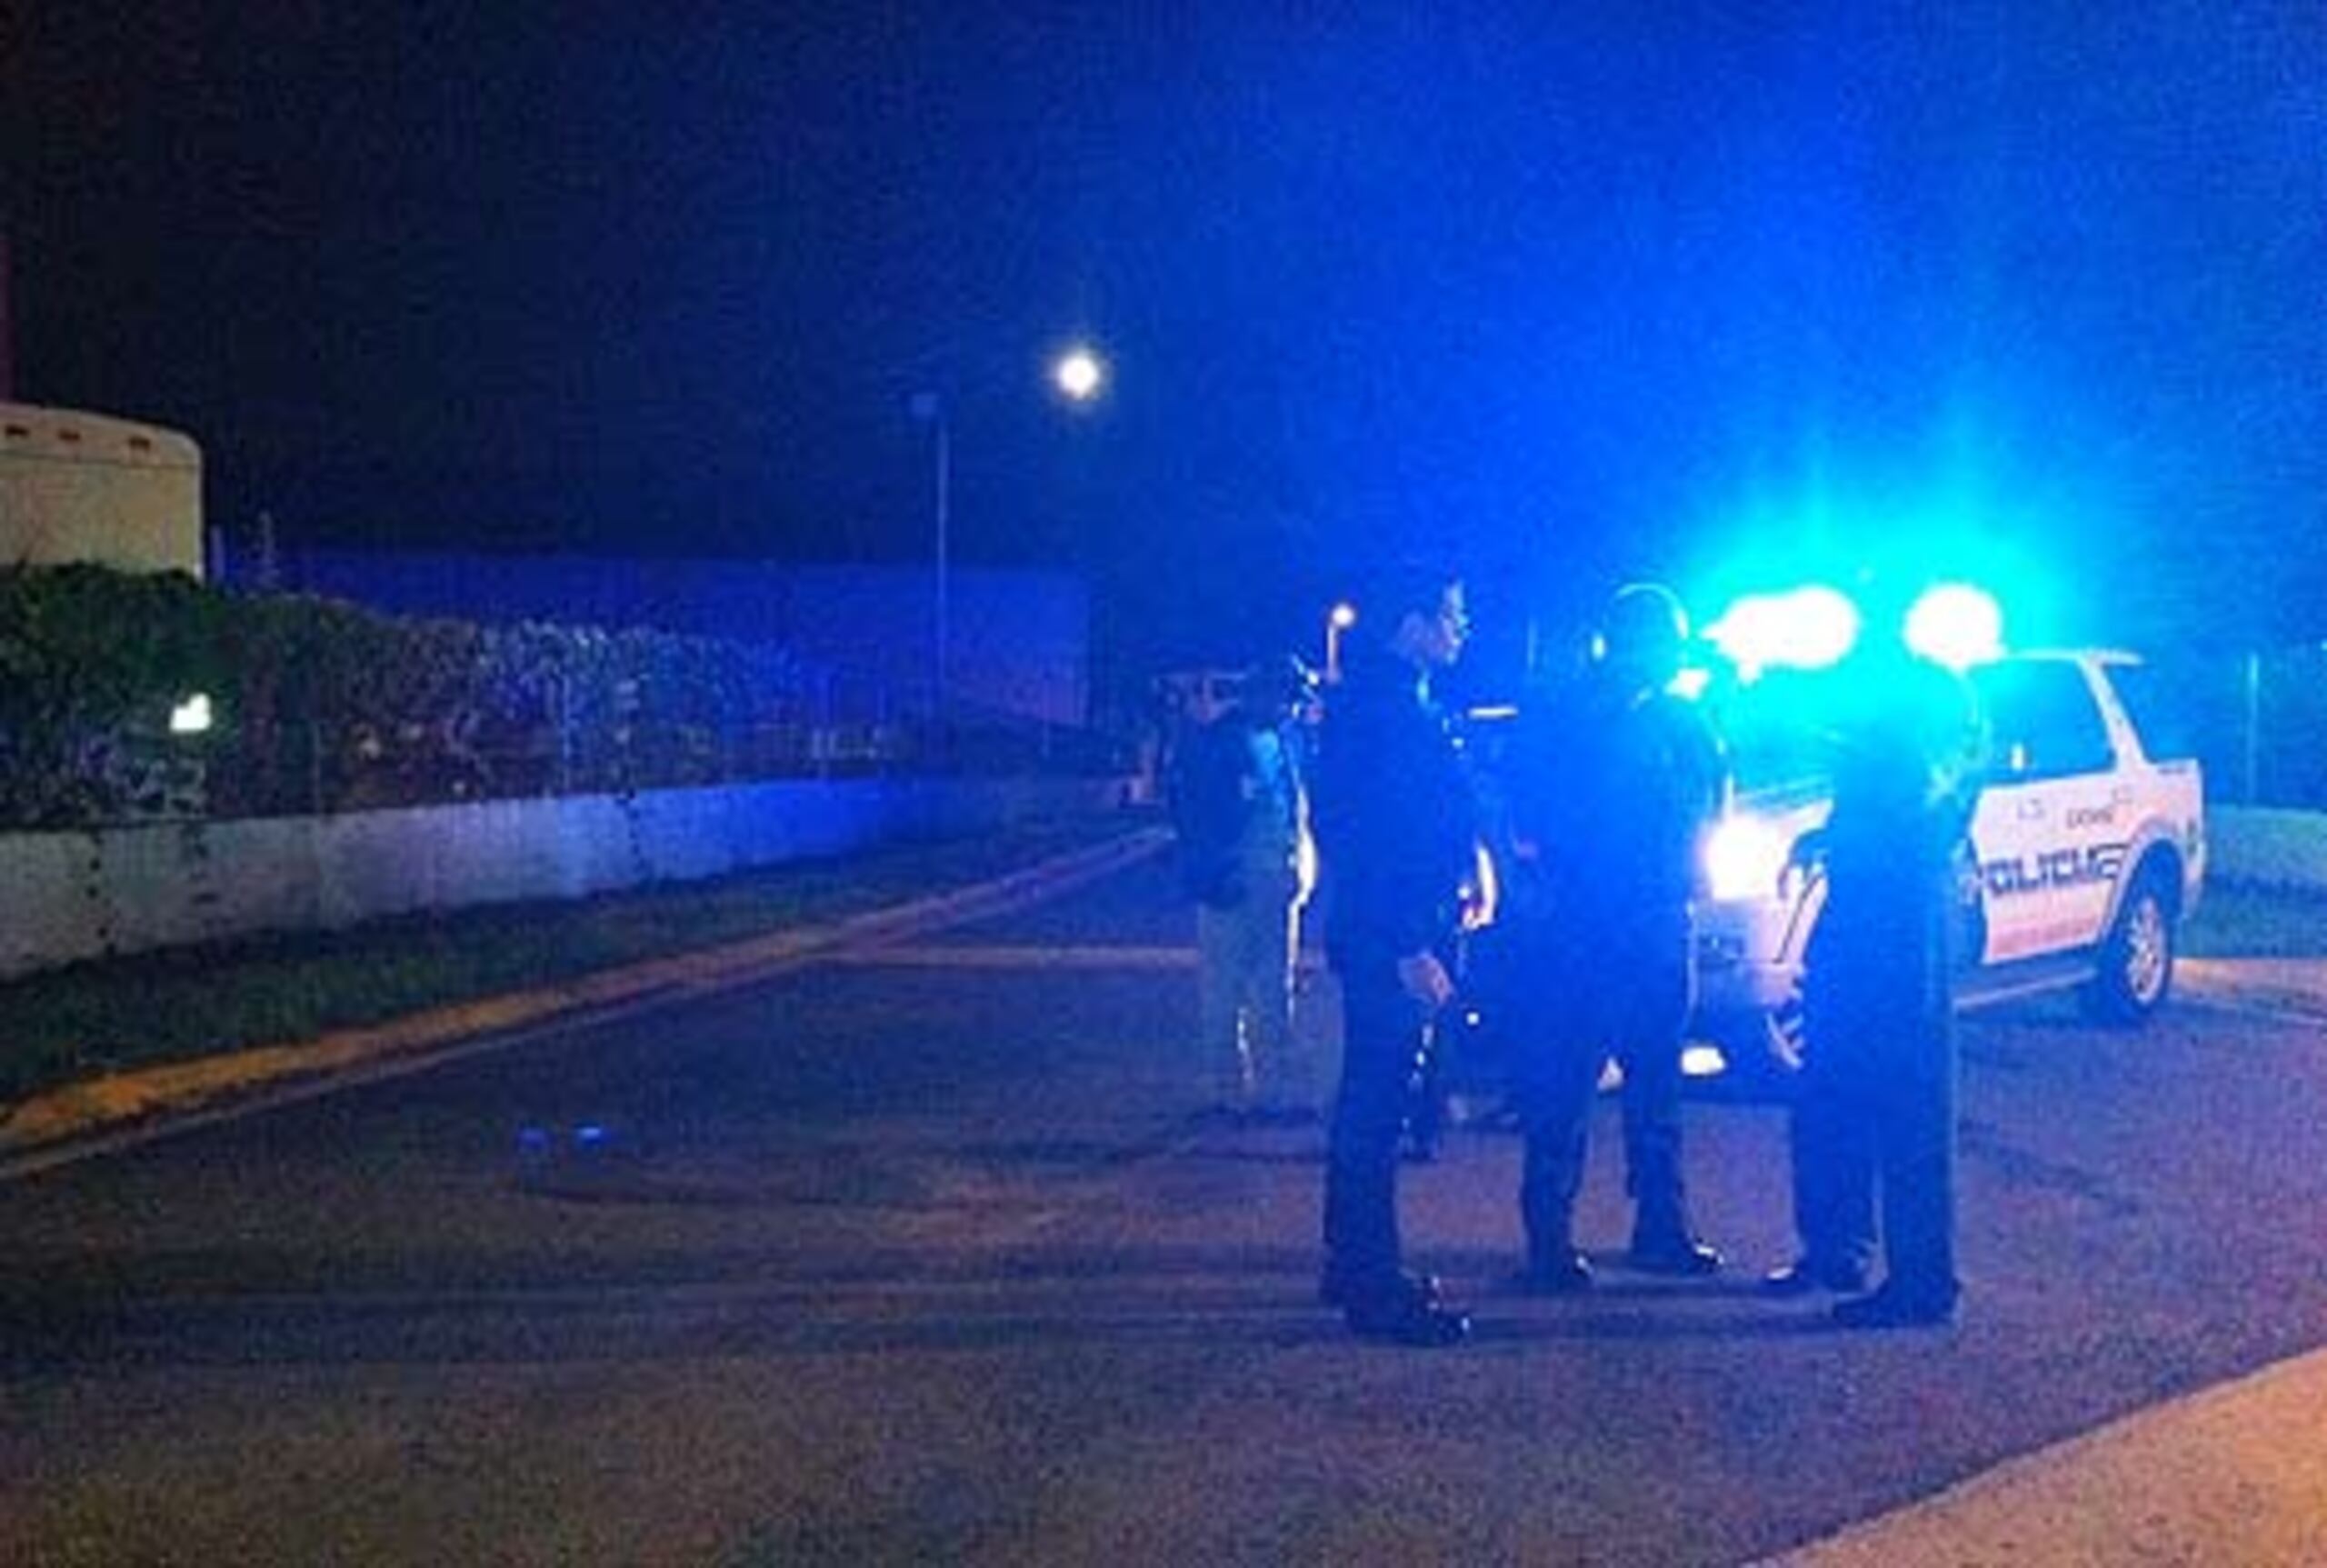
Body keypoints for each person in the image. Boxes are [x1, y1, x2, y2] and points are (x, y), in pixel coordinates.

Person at [1502, 583, 1728, 1292]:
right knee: (1575, 1084)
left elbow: (1713, 802)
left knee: (1641, 1082)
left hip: (1645, 918)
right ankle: (1557, 1238)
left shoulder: (1674, 716)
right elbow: (1529, 809)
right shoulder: (1581, 713)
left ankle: (1651, 1226)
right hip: (1598, 921)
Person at [1769, 634, 1983, 1327]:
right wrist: (1828, 838)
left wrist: (1879, 831)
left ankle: (1924, 1282)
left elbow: (1935, 794)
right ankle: (1836, 1249)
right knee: (1829, 1085)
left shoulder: (1937, 690)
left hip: (1904, 910)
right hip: (1858, 903)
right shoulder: (1862, 684)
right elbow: (1863, 794)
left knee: (1911, 1098)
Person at [1309, 563, 1481, 1346]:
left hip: (1391, 927)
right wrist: (1410, 941)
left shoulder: (1388, 704)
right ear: (1408, 624)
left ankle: (1352, 1260)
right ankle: (1373, 1288)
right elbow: (1373, 840)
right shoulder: (1383, 712)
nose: (1460, 628)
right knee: (1380, 1103)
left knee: (1369, 1097)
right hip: (1392, 933)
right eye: (1449, 614)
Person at [1167, 658, 1318, 1120]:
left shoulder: (1284, 741)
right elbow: (1193, 814)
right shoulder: (1218, 743)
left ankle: (1270, 1091)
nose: (1294, 708)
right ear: (1263, 695)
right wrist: (1213, 870)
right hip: (1234, 876)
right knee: (1227, 987)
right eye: (1288, 698)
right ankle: (1229, 1091)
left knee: (1273, 988)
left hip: (1276, 879)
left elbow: (1294, 811)